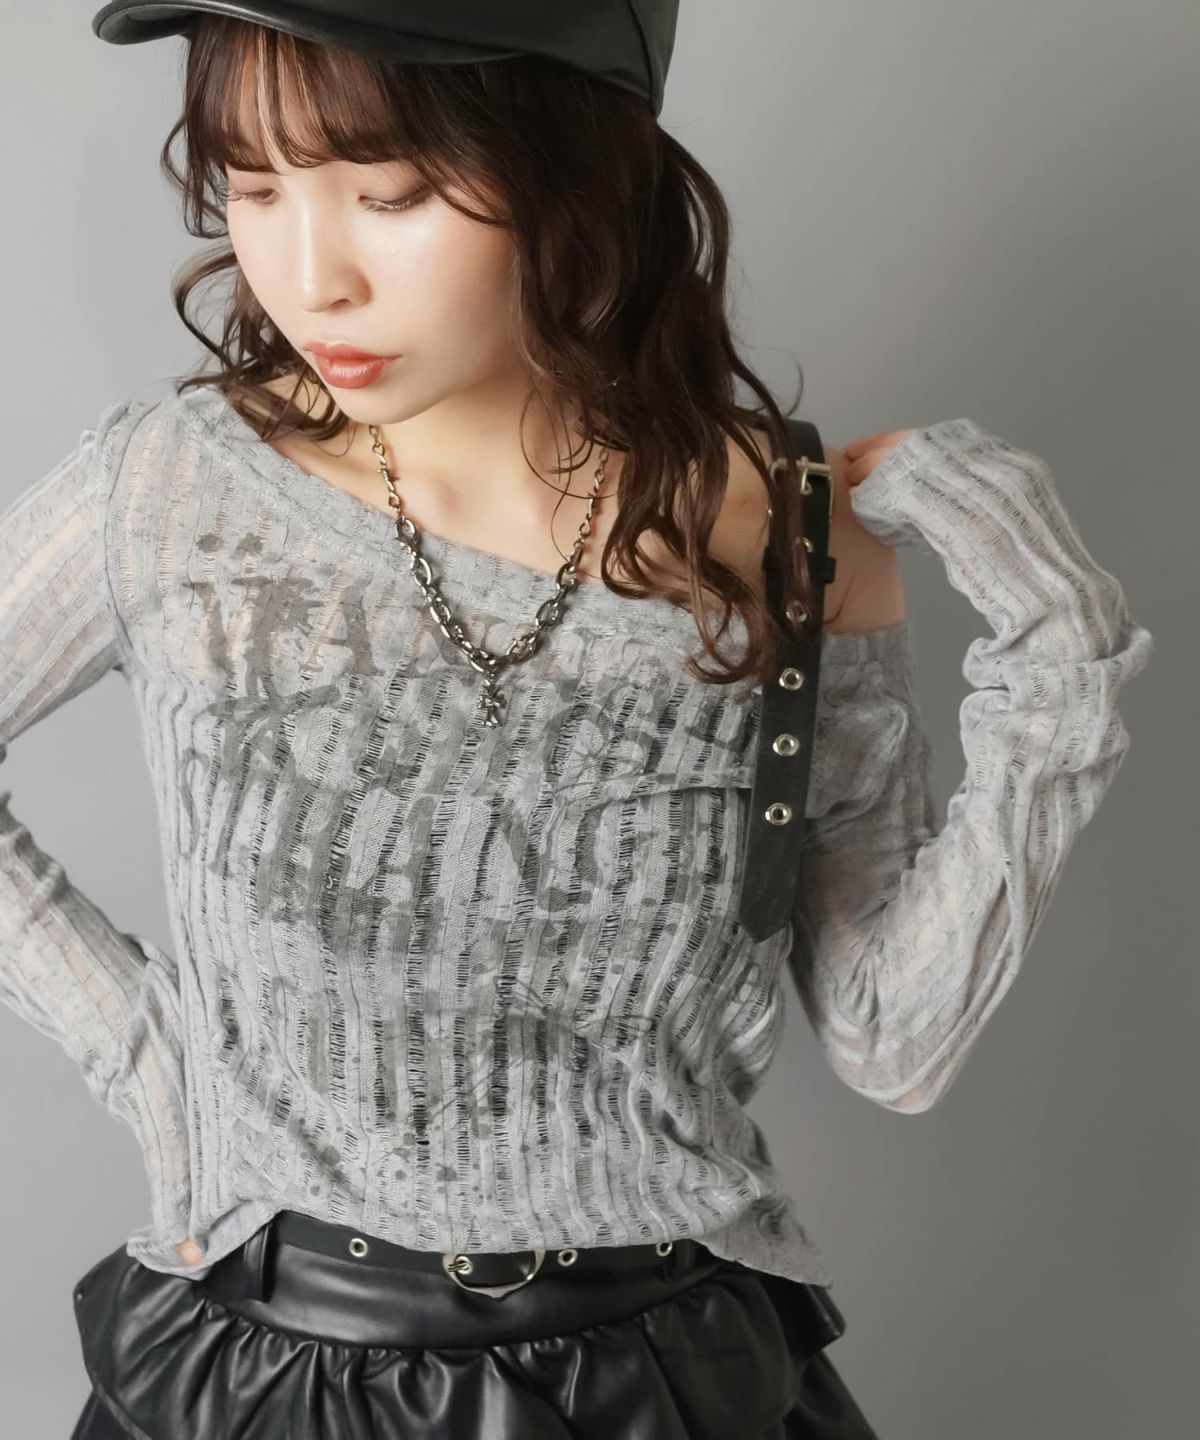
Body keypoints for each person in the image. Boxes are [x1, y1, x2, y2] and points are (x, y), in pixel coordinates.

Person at [0, 4, 1151, 1437]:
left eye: (391, 195)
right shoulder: (176, 492)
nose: (309, 277)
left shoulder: (788, 532)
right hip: (274, 1380)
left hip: (664, 1385)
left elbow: (892, 1040)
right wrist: (149, 1057)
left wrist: (1060, 665)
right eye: (253, 186)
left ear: (580, 170)